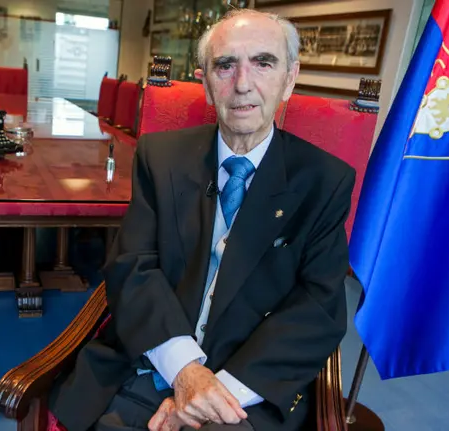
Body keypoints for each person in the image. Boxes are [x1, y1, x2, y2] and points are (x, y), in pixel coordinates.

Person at [49, 8, 356, 431]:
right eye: (225, 66)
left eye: (263, 63)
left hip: (249, 386)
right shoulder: (160, 157)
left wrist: (211, 394)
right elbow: (132, 265)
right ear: (206, 84)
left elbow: (318, 307)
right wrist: (186, 372)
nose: (243, 84)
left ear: (289, 78)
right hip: (152, 359)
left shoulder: (326, 180)